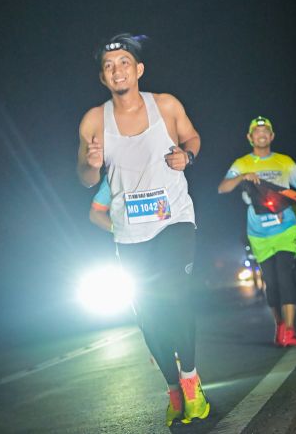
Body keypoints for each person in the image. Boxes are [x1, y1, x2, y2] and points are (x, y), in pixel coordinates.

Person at [77, 33, 210, 427]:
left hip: (174, 220)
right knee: (149, 316)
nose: (117, 70)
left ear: (138, 70)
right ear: (102, 77)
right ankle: (173, 389)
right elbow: (85, 179)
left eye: (123, 63)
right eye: (108, 66)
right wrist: (91, 164)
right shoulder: (93, 120)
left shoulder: (165, 105)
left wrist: (187, 156)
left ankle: (191, 383)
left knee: (175, 295)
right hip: (130, 233)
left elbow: (192, 138)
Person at [218, 116, 296, 347]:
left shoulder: (284, 161)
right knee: (271, 282)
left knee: (285, 275)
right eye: (257, 131)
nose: (261, 134)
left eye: (265, 131)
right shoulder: (242, 163)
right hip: (258, 231)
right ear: (250, 137)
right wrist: (242, 176)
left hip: (285, 226)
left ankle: (289, 330)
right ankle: (280, 325)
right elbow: (223, 188)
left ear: (272, 136)